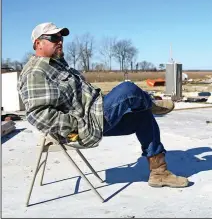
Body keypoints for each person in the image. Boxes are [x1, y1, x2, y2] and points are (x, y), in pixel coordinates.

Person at [17, 22, 189, 188]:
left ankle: (159, 173)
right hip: (83, 126)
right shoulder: (36, 72)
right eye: (54, 38)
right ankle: (151, 104)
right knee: (128, 89)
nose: (60, 41)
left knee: (143, 117)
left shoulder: (57, 65)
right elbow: (37, 114)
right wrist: (76, 125)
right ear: (38, 43)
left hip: (94, 113)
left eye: (61, 37)